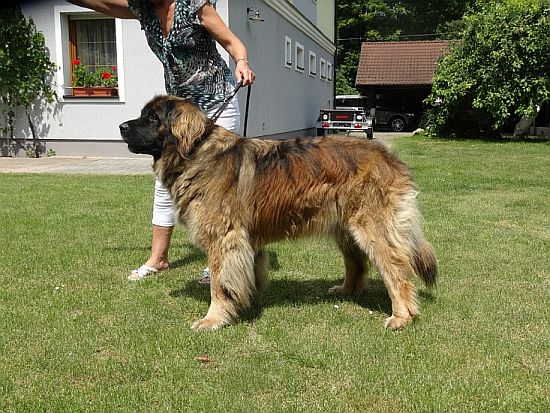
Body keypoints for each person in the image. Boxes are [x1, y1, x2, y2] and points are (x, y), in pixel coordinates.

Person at [68, 0, 255, 282]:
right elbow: (104, 3)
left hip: (216, 100)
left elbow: (231, 42)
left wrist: (242, 62)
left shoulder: (194, 5)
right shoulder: (142, 8)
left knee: (220, 184)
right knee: (165, 180)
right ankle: (158, 259)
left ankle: (217, 258)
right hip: (178, 111)